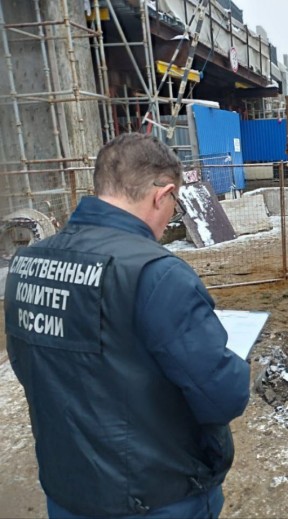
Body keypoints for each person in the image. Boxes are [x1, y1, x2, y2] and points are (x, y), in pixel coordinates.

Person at [3, 133, 250, 518]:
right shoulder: (158, 274)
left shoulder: (27, 264)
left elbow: (31, 366)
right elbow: (222, 394)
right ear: (162, 194)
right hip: (158, 497)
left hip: (68, 491)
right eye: (175, 203)